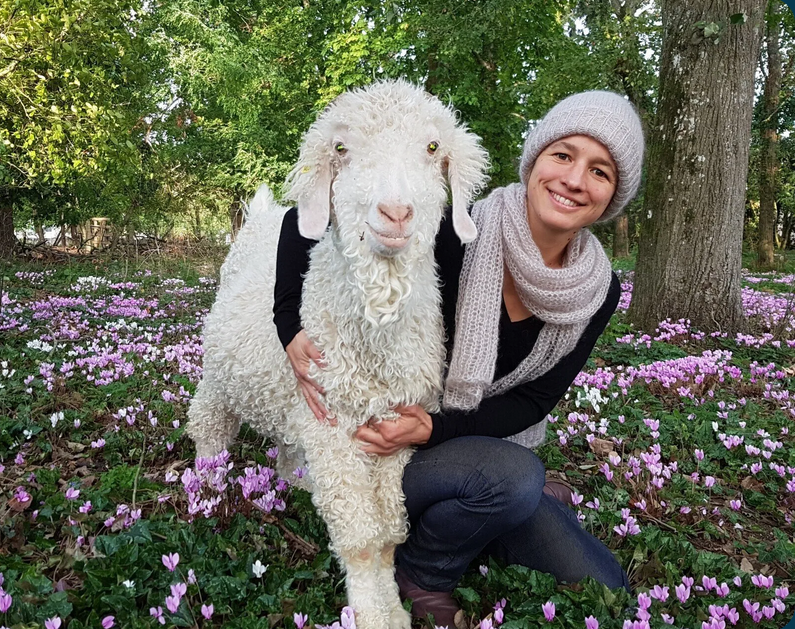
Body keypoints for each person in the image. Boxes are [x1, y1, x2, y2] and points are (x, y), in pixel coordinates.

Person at [273, 91, 643, 628]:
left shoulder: (598, 289)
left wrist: (436, 430)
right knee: (516, 479)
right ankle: (425, 569)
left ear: (612, 196)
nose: (574, 179)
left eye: (600, 171)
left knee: (606, 583)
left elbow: (536, 400)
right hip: (396, 446)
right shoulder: (458, 230)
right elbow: (303, 221)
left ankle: (488, 496)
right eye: (563, 155)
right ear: (535, 161)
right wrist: (289, 325)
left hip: (458, 436)